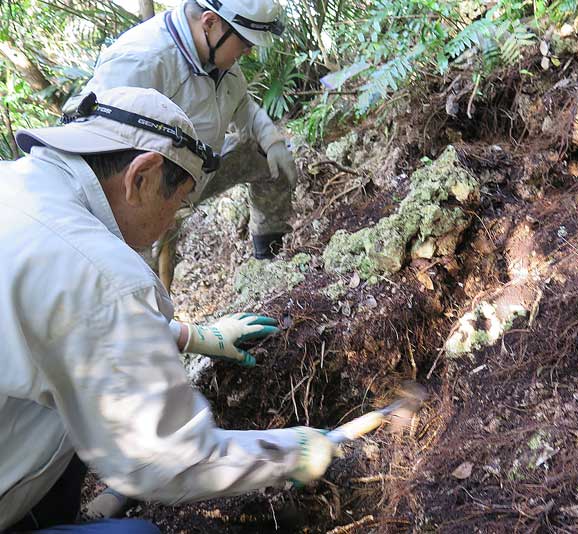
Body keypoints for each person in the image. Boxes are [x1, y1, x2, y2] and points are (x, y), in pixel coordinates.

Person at [0, 87, 334, 533]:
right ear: (141, 176)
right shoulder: (96, 270)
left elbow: (62, 325)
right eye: (178, 204)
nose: (173, 220)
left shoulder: (19, 188)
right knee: (139, 533)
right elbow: (163, 460)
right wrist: (289, 452)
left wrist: (197, 337)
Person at [66, 0, 299, 288]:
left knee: (265, 160)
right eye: (244, 41)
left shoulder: (219, 57)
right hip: (141, 191)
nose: (249, 51)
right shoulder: (141, 60)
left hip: (199, 170)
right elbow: (97, 146)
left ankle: (269, 261)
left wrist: (271, 139)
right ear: (210, 22)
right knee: (136, 276)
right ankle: (152, 321)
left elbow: (243, 105)